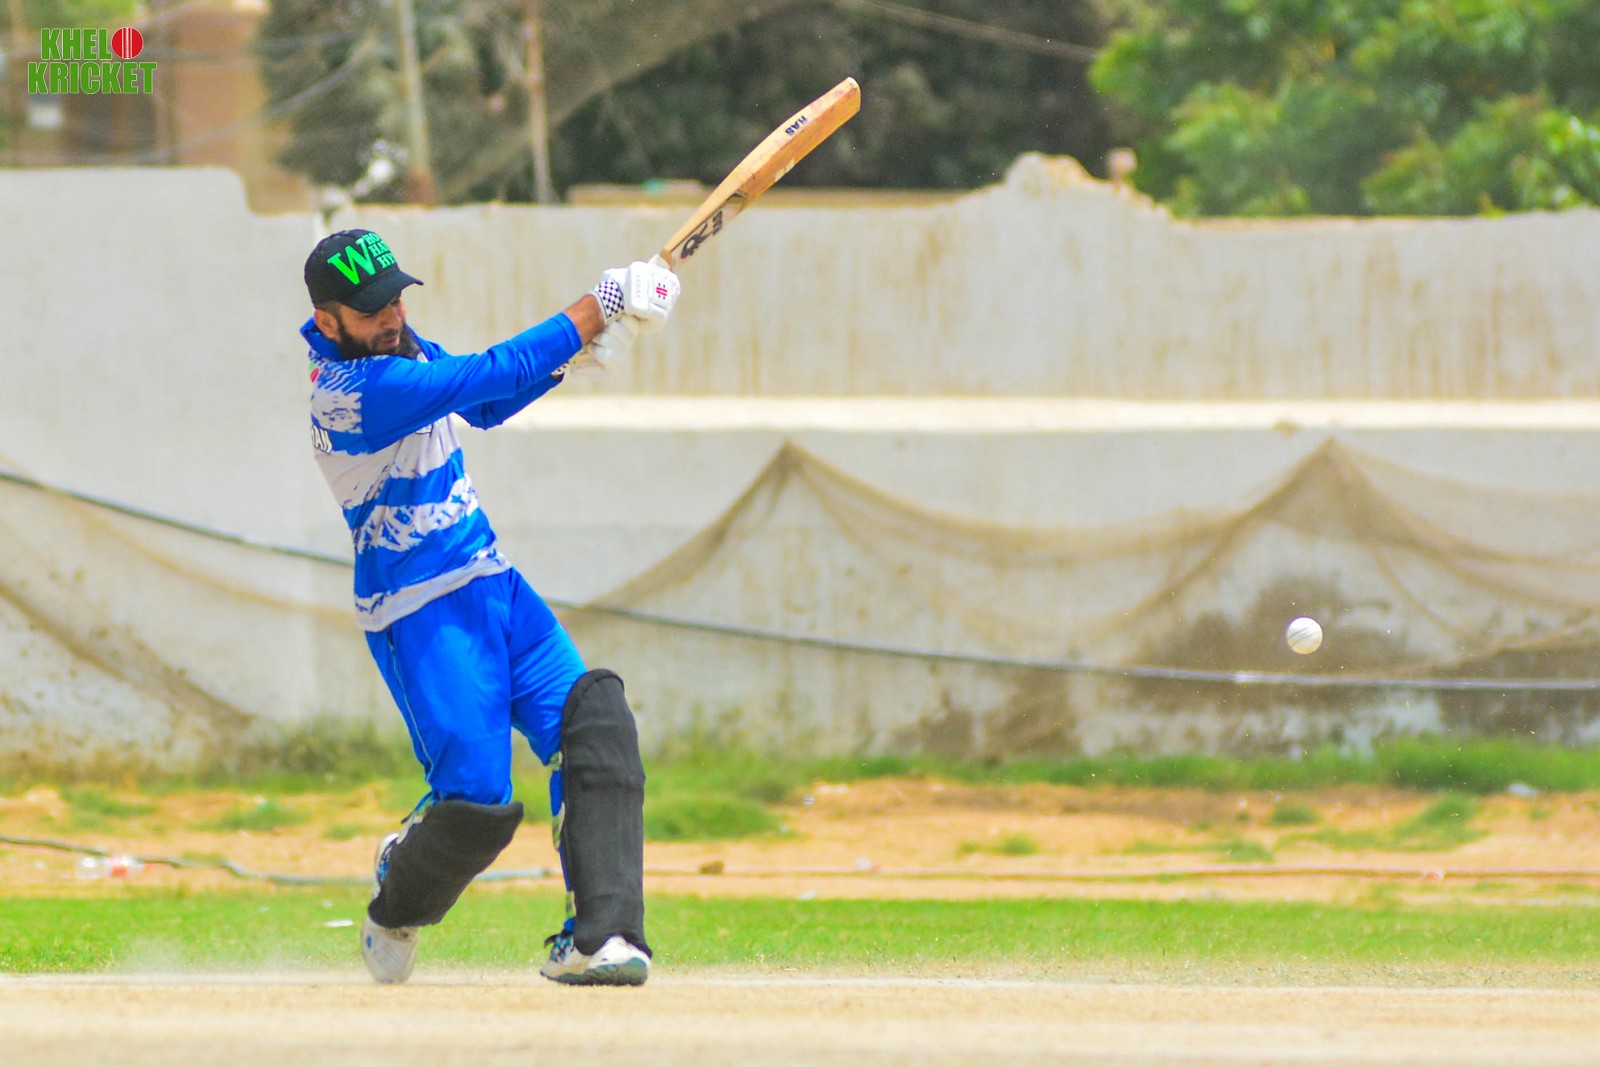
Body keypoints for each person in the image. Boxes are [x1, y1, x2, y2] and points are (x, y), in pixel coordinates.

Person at [299, 228, 679, 986]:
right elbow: (488, 372)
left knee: (596, 723)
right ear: (327, 319)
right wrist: (601, 302)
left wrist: (578, 352)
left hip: (493, 583)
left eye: (395, 299)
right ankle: (398, 895)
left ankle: (600, 938)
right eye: (370, 311)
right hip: (420, 611)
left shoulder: (404, 351)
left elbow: (490, 402)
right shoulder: (350, 394)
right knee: (476, 805)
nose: (391, 317)